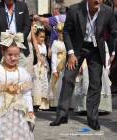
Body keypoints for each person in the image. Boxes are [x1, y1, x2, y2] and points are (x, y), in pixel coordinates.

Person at [50, 0, 117, 131]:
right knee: (68, 78)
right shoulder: (75, 9)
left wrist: (113, 51)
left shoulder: (107, 11)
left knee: (95, 83)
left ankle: (92, 118)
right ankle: (62, 115)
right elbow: (67, 31)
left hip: (96, 49)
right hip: (77, 48)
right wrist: (70, 53)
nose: (98, 0)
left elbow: (113, 33)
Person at [31, 23, 50, 110]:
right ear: (36, 37)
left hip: (43, 65)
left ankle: (43, 104)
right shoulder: (35, 46)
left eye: (44, 37)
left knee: (44, 83)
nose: (43, 39)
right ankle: (36, 103)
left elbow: (45, 56)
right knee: (37, 83)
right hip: (37, 65)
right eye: (41, 37)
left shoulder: (44, 45)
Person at [49, 23, 66, 108]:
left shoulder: (68, 43)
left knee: (64, 83)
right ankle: (55, 103)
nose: (61, 34)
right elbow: (53, 57)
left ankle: (66, 102)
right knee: (57, 83)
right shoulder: (55, 43)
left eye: (63, 33)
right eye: (60, 32)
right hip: (58, 63)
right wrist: (54, 69)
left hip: (65, 64)